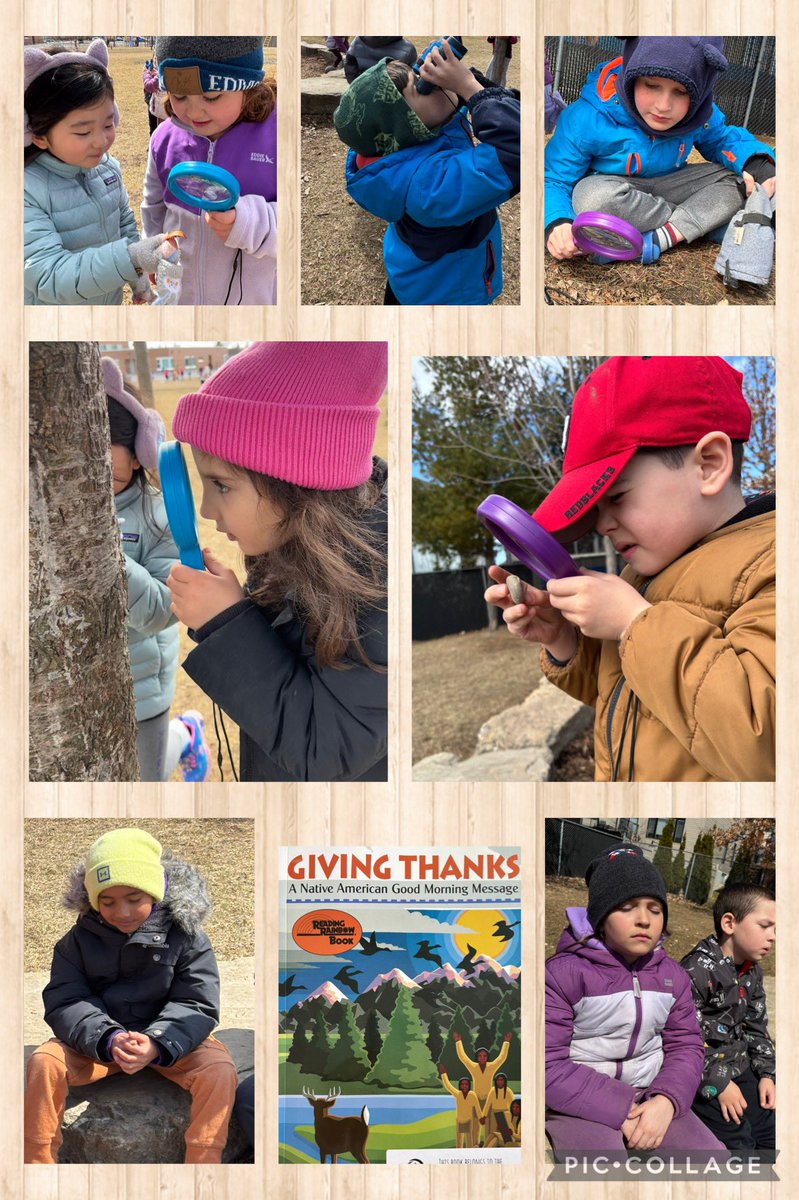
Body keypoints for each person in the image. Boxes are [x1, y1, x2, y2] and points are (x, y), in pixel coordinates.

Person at [486, 356, 775, 782]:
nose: (602, 524)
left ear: (709, 464)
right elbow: (625, 695)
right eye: (594, 508)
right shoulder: (640, 575)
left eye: (617, 497)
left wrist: (634, 623)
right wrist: (563, 639)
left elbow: (764, 739)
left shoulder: (773, 564)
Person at [164, 341, 388, 783]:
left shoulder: (377, 582)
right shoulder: (296, 544)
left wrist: (228, 627)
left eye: (222, 485)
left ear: (297, 486)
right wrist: (234, 613)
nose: (207, 511)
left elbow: (330, 743)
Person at [24, 828, 239, 1163]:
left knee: (220, 1070)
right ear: (93, 901)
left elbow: (197, 1002)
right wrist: (108, 1037)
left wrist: (157, 1042)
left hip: (171, 1041)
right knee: (44, 1062)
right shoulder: (76, 941)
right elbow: (67, 1000)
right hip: (98, 1044)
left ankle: (203, 1167)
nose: (121, 912)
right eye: (107, 902)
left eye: (134, 900)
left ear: (155, 891)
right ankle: (37, 1165)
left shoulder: (188, 936)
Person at [545, 844, 727, 1162]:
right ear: (600, 916)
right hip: (580, 1102)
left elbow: (687, 1047)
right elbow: (546, 1065)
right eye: (627, 907)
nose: (644, 919)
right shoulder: (562, 975)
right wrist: (622, 1108)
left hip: (652, 1094)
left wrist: (667, 1101)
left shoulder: (674, 977)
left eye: (655, 909)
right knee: (603, 1171)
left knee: (714, 1161)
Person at [545, 37, 776, 263]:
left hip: (672, 186)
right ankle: (700, 222)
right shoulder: (586, 117)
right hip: (617, 193)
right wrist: (557, 221)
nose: (664, 106)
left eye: (681, 92)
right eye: (652, 85)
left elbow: (722, 139)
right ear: (631, 77)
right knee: (590, 197)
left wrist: (757, 162)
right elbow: (554, 179)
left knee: (737, 180)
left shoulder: (698, 112)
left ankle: (663, 236)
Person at [333, 42, 520, 305]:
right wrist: (467, 86)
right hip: (447, 298)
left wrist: (472, 83)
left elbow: (511, 112)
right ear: (405, 124)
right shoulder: (429, 185)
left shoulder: (412, 144)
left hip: (417, 279)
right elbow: (518, 148)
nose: (430, 85)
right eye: (419, 88)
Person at [103, 358, 211, 782]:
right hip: (70, 688)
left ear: (138, 453)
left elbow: (161, 609)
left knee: (144, 780)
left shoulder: (159, 513)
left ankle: (186, 734)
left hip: (141, 686)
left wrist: (98, 544)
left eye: (104, 444)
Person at [24, 39, 178, 305]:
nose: (101, 141)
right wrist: (131, 259)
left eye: (108, 124)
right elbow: (48, 275)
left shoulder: (107, 168)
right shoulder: (24, 190)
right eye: (83, 131)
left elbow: (126, 229)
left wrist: (138, 279)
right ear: (37, 134)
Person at [142, 37, 278, 305]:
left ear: (247, 88)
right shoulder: (163, 139)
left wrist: (248, 222)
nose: (193, 110)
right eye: (179, 96)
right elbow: (153, 204)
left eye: (212, 96)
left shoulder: (277, 137)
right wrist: (153, 249)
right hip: (179, 300)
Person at [681, 884, 776, 1161]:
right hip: (704, 1075)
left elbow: (756, 1026)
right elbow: (683, 1040)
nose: (772, 937)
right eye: (764, 926)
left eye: (775, 929)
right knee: (741, 1144)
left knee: (771, 1134)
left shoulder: (751, 970)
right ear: (729, 923)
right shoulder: (696, 971)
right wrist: (719, 1082)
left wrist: (768, 1075)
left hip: (740, 1065)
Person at [342, 36, 417, 83]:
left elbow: (349, 64)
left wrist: (356, 84)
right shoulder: (408, 49)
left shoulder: (357, 41)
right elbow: (412, 79)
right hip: (392, 100)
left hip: (361, 95)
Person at [439, 1066, 483, 1148]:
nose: (464, 1086)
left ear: (469, 1085)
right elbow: (449, 1086)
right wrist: (443, 1074)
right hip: (459, 1120)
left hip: (469, 1121)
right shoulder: (458, 1094)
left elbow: (477, 1107)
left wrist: (481, 1118)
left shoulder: (472, 1095)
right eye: (462, 1084)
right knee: (459, 1143)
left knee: (470, 1142)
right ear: (460, 1085)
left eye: (466, 1084)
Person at [481, 1073, 516, 1146]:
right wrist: (484, 1116)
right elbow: (488, 1104)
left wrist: (512, 1117)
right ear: (496, 1081)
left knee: (505, 1133)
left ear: (505, 1081)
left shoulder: (508, 1091)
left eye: (501, 1080)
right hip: (494, 1113)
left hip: (504, 1114)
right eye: (498, 1080)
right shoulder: (493, 1090)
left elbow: (512, 1104)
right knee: (493, 1133)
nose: (500, 1082)